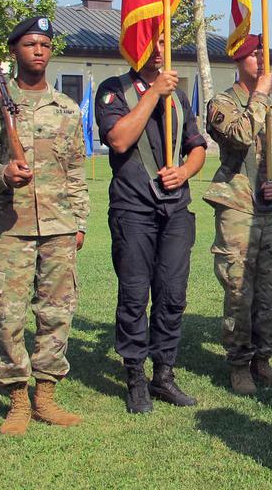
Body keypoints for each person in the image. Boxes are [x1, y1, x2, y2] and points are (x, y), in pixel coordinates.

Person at [0, 16, 89, 435]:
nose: (38, 50)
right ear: (13, 52)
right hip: (9, 226)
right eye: (29, 44)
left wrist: (79, 221)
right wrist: (3, 173)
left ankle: (46, 395)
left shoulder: (67, 109)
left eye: (44, 44)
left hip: (59, 226)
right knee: (6, 315)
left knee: (56, 313)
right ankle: (18, 399)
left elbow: (77, 169)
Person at [95, 32, 207, 413]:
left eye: (165, 42)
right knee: (134, 295)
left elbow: (197, 146)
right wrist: (152, 93)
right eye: (154, 41)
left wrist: (185, 171)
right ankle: (134, 377)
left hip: (175, 208)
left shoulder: (177, 94)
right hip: (134, 209)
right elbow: (121, 139)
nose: (162, 49)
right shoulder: (114, 90)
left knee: (172, 295)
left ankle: (164, 374)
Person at [203, 34, 272, 395]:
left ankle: (263, 361)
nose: (261, 61)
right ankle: (239, 364)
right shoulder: (222, 103)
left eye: (265, 55)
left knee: (270, 290)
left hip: (268, 210)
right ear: (239, 60)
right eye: (255, 55)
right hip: (238, 206)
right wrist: (260, 95)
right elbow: (240, 136)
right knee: (239, 288)